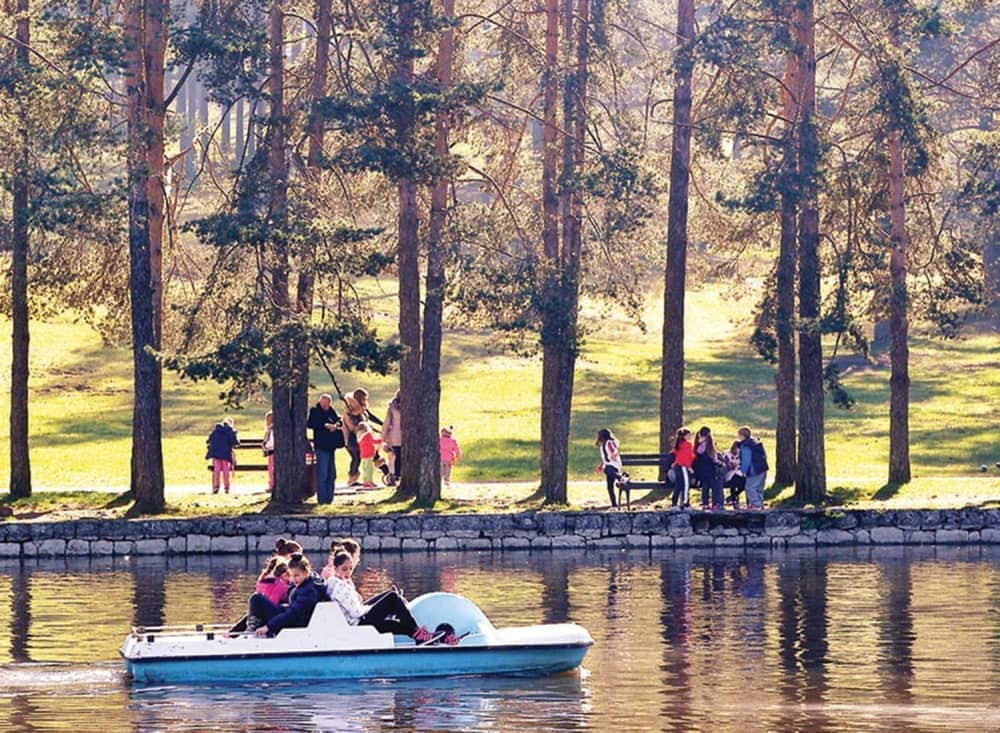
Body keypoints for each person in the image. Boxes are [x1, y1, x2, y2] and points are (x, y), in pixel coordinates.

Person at [325, 551, 451, 644]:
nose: (348, 573)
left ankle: (417, 636)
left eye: (351, 569)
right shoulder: (339, 587)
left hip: (357, 618)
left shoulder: (338, 582)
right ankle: (418, 632)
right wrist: (373, 607)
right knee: (392, 597)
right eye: (344, 569)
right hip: (358, 622)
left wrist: (374, 606)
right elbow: (355, 612)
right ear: (335, 569)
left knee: (391, 623)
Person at [248, 553, 326, 636]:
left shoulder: (308, 591)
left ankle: (252, 630)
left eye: (296, 576)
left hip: (296, 622)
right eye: (291, 575)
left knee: (257, 599)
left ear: (306, 572)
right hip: (294, 618)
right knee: (258, 600)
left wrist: (269, 626)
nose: (293, 579)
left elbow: (294, 613)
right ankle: (253, 627)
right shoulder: (306, 583)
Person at [343, 388, 382, 488]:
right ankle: (352, 479)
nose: (365, 400)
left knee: (374, 454)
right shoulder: (350, 409)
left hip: (362, 435)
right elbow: (351, 424)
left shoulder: (362, 409)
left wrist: (381, 424)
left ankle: (388, 475)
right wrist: (363, 428)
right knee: (356, 458)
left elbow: (371, 417)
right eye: (364, 398)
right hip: (353, 438)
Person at [308, 393, 343, 504]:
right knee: (322, 474)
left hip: (331, 447)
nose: (326, 406)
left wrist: (336, 425)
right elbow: (310, 423)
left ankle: (329, 499)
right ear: (320, 402)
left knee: (331, 474)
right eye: (324, 403)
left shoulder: (331, 411)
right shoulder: (315, 411)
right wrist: (325, 425)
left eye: (328, 404)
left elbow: (339, 420)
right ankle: (322, 499)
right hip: (321, 446)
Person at [693, 426, 725, 511]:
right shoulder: (710, 445)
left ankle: (705, 504)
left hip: (701, 470)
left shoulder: (697, 444)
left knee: (705, 487)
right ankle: (715, 504)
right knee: (714, 487)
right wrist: (721, 464)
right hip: (710, 470)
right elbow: (714, 459)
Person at [206, 417, 239, 494]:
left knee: (217, 469)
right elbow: (235, 442)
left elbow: (209, 439)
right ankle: (227, 487)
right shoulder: (230, 431)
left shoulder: (216, 430)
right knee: (226, 470)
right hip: (226, 454)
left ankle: (216, 486)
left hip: (216, 453)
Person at [738, 426, 768, 510]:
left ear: (741, 436)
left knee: (749, 487)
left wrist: (743, 471)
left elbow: (746, 460)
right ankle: (760, 504)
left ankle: (756, 505)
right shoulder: (756, 442)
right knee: (759, 487)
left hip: (754, 470)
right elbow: (765, 455)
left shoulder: (745, 445)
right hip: (763, 468)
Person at [357, 420, 392, 488]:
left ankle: (365, 481)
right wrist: (381, 440)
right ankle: (369, 482)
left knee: (365, 468)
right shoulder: (368, 434)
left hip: (363, 454)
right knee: (369, 469)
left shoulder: (359, 436)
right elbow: (374, 441)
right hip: (369, 454)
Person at [595, 428, 623, 508]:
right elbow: (605, 459)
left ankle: (620, 477)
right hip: (609, 465)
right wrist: (600, 467)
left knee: (607, 469)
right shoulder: (602, 446)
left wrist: (614, 455)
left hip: (614, 465)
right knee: (609, 486)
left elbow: (615, 450)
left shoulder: (609, 443)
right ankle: (614, 504)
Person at [669, 427, 694, 508]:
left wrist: (675, 463)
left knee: (678, 484)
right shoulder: (687, 445)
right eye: (689, 435)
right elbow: (685, 457)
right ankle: (685, 503)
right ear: (685, 436)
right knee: (686, 484)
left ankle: (675, 503)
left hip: (678, 466)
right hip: (683, 467)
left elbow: (678, 456)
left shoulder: (679, 444)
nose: (690, 436)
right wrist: (689, 467)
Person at [382, 391, 402, 486]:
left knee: (396, 456)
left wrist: (384, 436)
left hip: (395, 434)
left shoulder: (393, 406)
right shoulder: (412, 406)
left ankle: (396, 476)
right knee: (401, 456)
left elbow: (387, 422)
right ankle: (398, 476)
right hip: (403, 435)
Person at [722, 441, 746, 508]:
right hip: (730, 473)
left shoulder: (742, 455)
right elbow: (726, 465)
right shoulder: (727, 454)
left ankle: (734, 496)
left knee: (744, 482)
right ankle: (734, 500)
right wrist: (733, 466)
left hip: (739, 473)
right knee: (734, 481)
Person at [262, 410, 275, 493]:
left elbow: (272, 442)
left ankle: (272, 485)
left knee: (272, 469)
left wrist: (265, 446)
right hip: (271, 451)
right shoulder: (269, 430)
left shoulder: (272, 430)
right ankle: (271, 484)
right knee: (271, 469)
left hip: (272, 451)